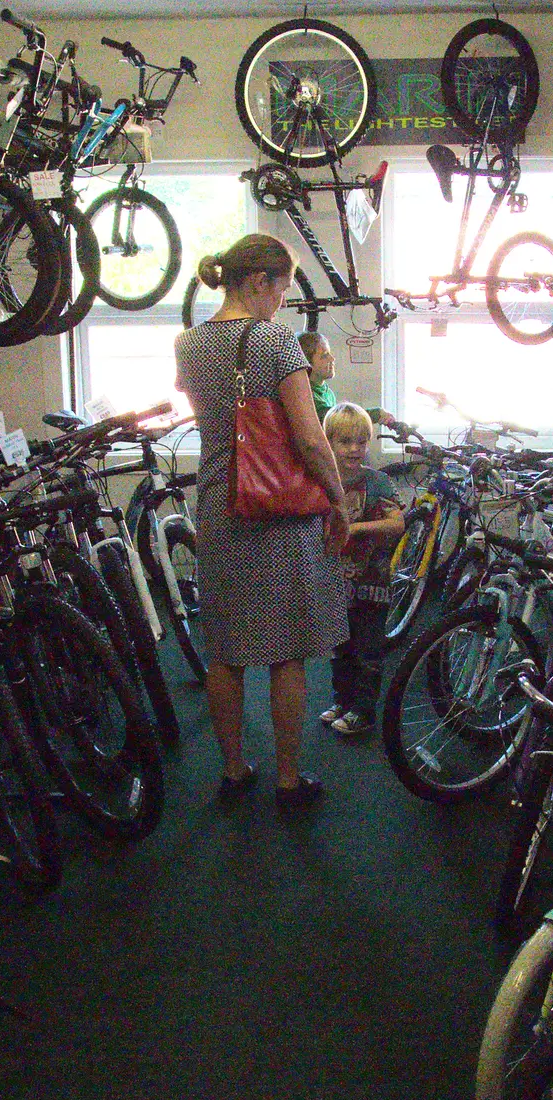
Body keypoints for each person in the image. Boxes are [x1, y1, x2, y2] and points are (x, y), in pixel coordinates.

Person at [174, 234, 350, 807]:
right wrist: (340, 499)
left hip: (221, 508)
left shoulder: (189, 344)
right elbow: (308, 437)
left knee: (225, 648)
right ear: (258, 282)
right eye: (283, 287)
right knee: (286, 652)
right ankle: (288, 779)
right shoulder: (275, 342)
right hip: (278, 511)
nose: (284, 300)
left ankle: (233, 770)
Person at [318, 403, 405, 736]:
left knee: (368, 651)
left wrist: (353, 529)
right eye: (345, 442)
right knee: (341, 649)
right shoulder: (322, 481)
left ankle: (364, 711)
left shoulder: (379, 482)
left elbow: (395, 524)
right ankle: (343, 701)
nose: (354, 449)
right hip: (335, 583)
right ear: (328, 442)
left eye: (361, 442)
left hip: (372, 583)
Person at [300, 331, 338, 422]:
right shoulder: (306, 395)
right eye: (324, 356)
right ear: (308, 363)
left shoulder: (328, 392)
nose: (332, 359)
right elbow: (337, 419)